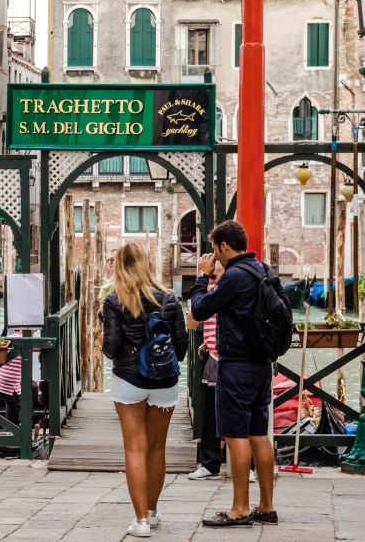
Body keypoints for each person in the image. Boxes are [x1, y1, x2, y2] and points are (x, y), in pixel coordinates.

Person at [191, 220, 278, 527]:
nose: (214, 255)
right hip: (261, 365)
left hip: (236, 365)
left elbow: (200, 310)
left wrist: (202, 277)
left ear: (224, 246)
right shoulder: (263, 270)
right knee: (258, 434)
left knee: (235, 435)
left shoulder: (234, 276)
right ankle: (266, 506)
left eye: (215, 249)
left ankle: (239, 507)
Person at [102, 242, 188, 538]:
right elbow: (182, 348)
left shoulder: (113, 300)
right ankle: (151, 510)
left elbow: (110, 347)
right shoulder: (171, 299)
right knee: (157, 448)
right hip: (164, 381)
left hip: (129, 380)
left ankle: (139, 521)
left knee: (134, 448)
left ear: (120, 266)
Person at [187, 260, 223, 481]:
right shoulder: (208, 296)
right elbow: (191, 322)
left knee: (236, 412)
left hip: (234, 357)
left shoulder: (230, 290)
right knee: (209, 413)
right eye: (210, 278)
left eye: (215, 277)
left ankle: (247, 466)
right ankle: (210, 463)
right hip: (211, 355)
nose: (212, 283)